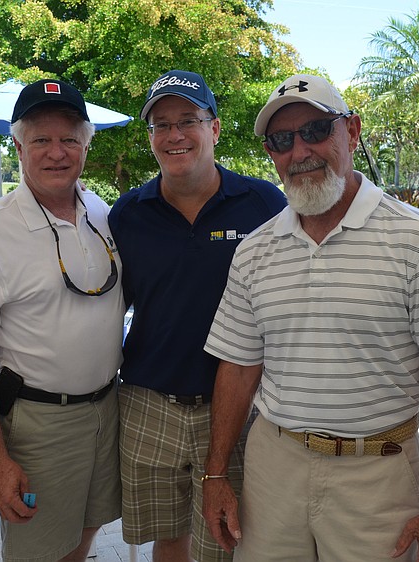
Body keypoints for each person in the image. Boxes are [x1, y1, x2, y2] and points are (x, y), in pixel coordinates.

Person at [201, 73, 419, 562]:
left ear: (352, 132)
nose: (300, 151)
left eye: (316, 130)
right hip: (273, 467)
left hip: (378, 473)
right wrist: (215, 475)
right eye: (282, 140)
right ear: (270, 152)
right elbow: (238, 367)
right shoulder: (254, 251)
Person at [108, 70, 287, 562]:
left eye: (188, 120)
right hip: (148, 401)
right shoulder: (127, 214)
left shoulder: (264, 203)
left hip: (238, 406)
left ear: (215, 128)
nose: (175, 135)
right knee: (168, 539)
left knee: (227, 539)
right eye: (161, 125)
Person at [0, 79, 124, 562]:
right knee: (39, 549)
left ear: (87, 145)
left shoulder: (100, 212)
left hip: (107, 407)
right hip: (39, 423)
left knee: (86, 529)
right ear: (17, 146)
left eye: (70, 138)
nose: (57, 152)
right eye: (41, 139)